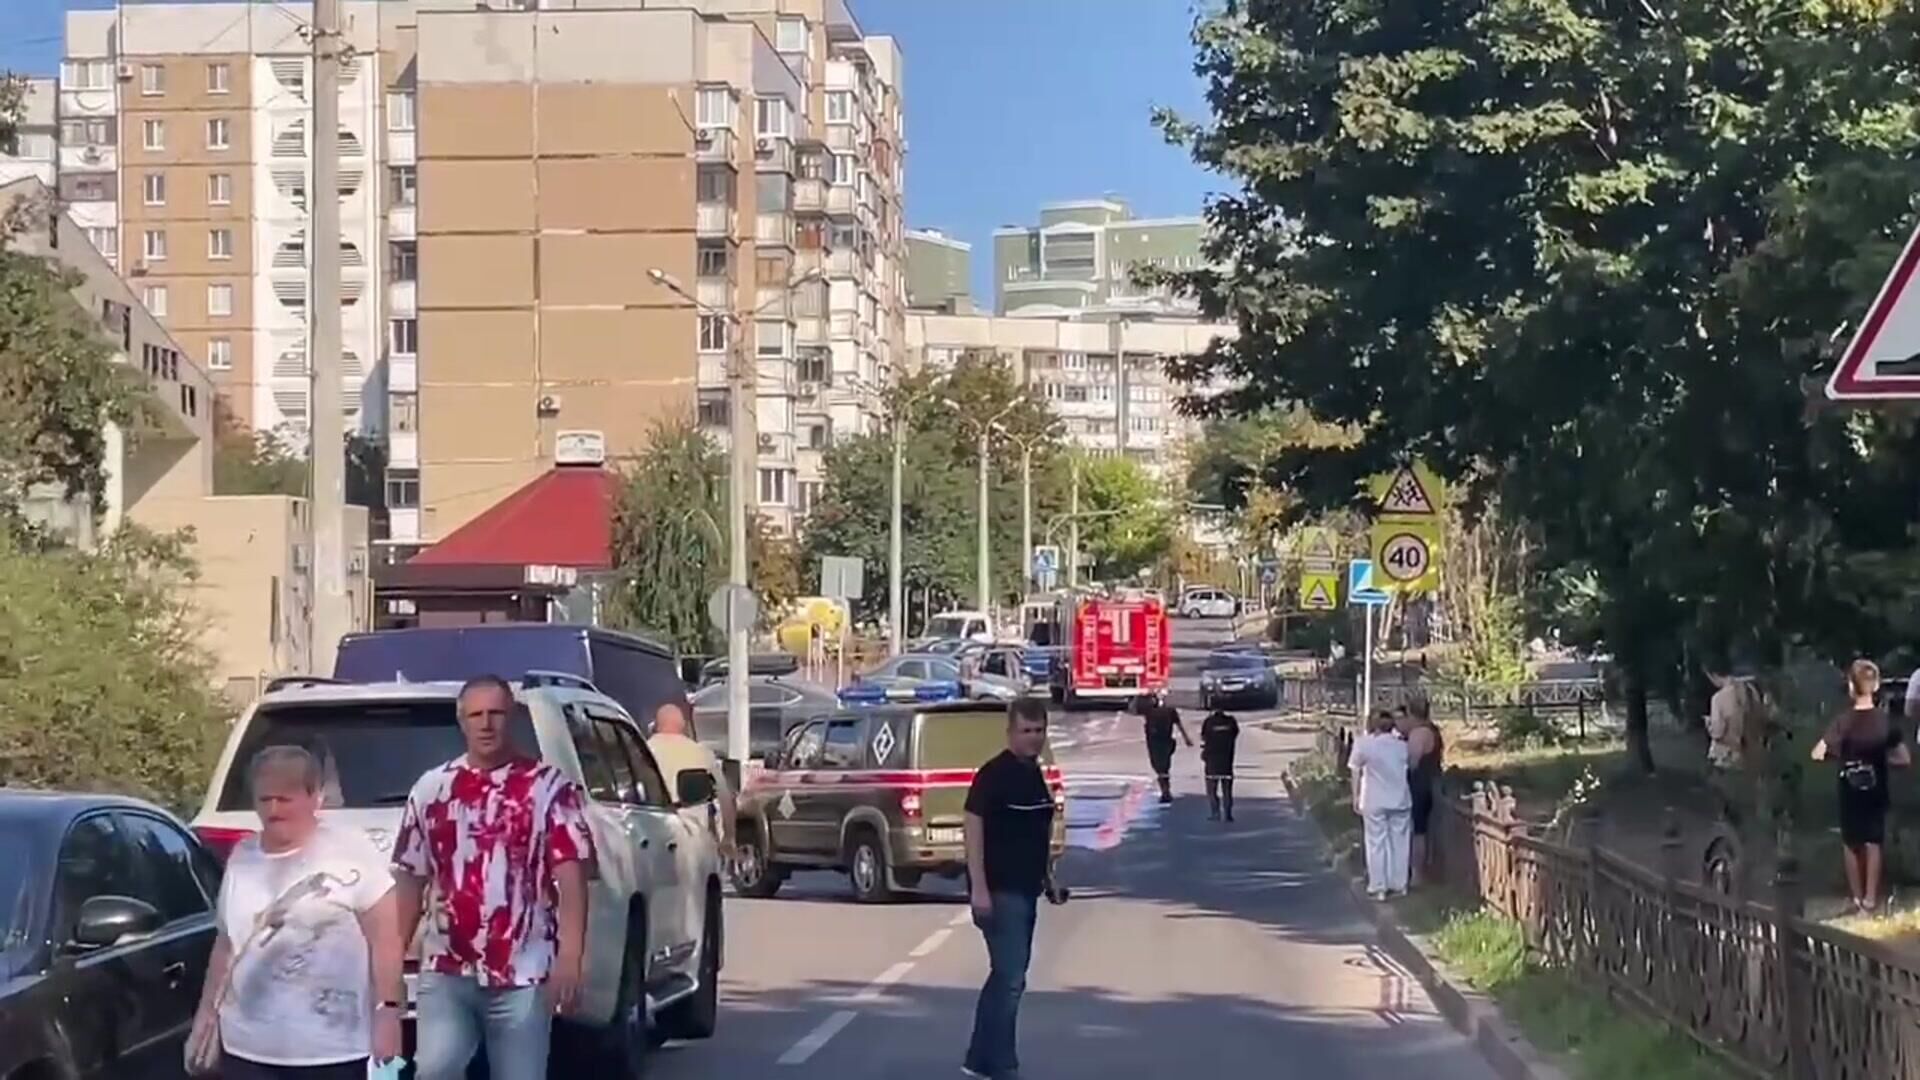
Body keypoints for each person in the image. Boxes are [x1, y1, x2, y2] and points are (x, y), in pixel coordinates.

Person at [394, 675, 596, 1080]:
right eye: (476, 715)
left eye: (496, 714)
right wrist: (390, 961)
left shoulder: (548, 787)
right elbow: (410, 878)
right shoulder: (433, 789)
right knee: (434, 1071)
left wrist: (571, 957)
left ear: (513, 717)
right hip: (448, 967)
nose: (486, 724)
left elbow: (572, 876)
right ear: (461, 721)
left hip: (524, 969)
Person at [187, 745, 403, 1080]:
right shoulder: (243, 857)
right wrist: (205, 1015)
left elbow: (386, 940)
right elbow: (227, 945)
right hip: (246, 1049)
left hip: (332, 1051)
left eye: (284, 799)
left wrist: (388, 1014)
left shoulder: (352, 852)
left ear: (314, 797)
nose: (273, 810)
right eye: (264, 799)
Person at [963, 699, 1065, 1080]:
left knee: (1004, 976)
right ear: (1010, 733)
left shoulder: (1034, 774)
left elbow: (1037, 833)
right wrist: (979, 887)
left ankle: (978, 1060)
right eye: (1026, 731)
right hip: (999, 890)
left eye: (1039, 731)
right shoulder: (994, 775)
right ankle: (1004, 1066)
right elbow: (972, 827)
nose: (1034, 738)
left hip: (1026, 889)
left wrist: (1049, 878)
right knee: (1010, 979)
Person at [1812, 659, 1911, 914]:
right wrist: (1880, 759)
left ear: (1850, 687)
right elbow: (1904, 758)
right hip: (1877, 786)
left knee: (1851, 842)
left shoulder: (1843, 721)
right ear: (1876, 686)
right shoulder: (1885, 721)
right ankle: (1870, 899)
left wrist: (1840, 756)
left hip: (1849, 787)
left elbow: (1817, 753)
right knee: (1873, 841)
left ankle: (1856, 897)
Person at [649, 701, 737, 858]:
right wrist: (729, 837)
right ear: (683, 725)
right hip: (694, 835)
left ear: (656, 725)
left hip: (651, 830)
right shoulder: (702, 753)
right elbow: (725, 797)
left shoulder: (644, 750)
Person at [1349, 710, 1412, 900]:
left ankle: (1379, 886)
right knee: (1400, 843)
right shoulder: (1402, 746)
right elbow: (1409, 766)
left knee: (1376, 842)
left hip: (1374, 800)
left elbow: (1355, 769)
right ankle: (1399, 884)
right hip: (1400, 799)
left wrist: (1355, 796)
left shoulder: (1364, 744)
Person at [1398, 695, 1445, 885]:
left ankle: (1417, 873)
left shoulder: (1418, 733)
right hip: (1432, 780)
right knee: (1423, 828)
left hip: (1420, 784)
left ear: (1411, 713)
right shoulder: (1432, 729)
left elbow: (1413, 762)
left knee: (1418, 830)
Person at [1137, 691, 1193, 805]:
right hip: (1162, 741)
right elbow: (1179, 724)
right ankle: (1165, 790)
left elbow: (1134, 708)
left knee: (1160, 767)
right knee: (1163, 767)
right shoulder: (1161, 710)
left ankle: (1165, 791)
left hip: (1158, 742)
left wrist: (1186, 738)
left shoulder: (1151, 710)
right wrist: (1186, 738)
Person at [1200, 708, 1240, 822]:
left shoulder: (1208, 722)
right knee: (1227, 789)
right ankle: (1228, 814)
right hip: (1227, 761)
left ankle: (1215, 813)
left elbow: (1203, 737)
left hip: (1212, 761)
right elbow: (1235, 734)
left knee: (1211, 789)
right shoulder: (1231, 722)